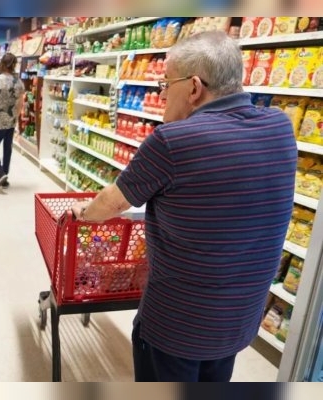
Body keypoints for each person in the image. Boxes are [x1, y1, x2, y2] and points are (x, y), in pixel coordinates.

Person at [71, 30, 297, 382]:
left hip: (176, 324)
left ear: (194, 88)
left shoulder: (172, 142)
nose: (161, 95)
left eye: (165, 85)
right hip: (238, 320)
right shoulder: (281, 126)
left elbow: (110, 204)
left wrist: (81, 215)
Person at [0, 53, 25, 190]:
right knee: (7, 149)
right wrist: (15, 116)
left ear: (2, 63)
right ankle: (5, 178)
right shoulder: (19, 82)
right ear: (14, 65)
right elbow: (21, 103)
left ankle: (1, 172)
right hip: (12, 121)